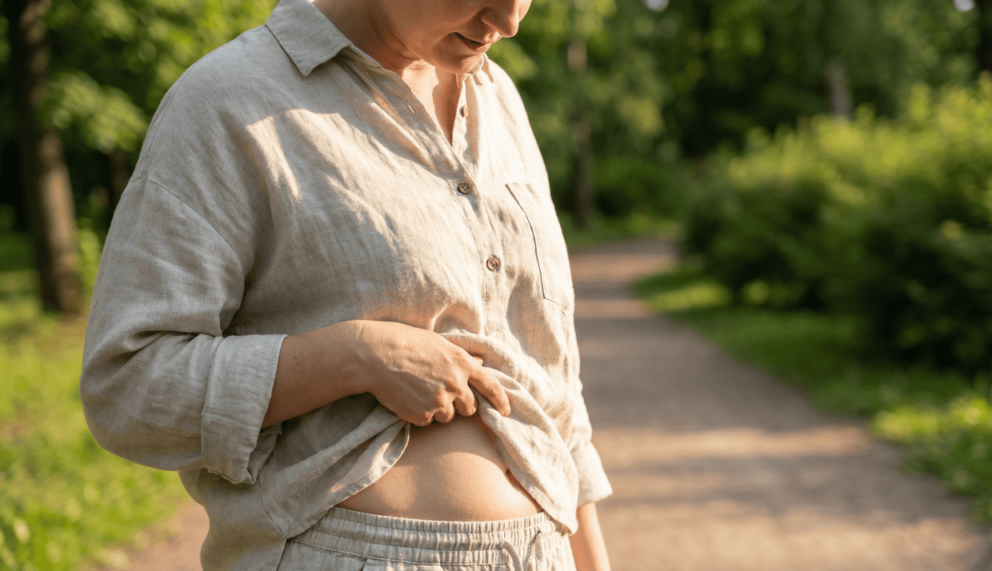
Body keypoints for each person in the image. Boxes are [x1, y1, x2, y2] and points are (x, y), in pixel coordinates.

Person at [79, 0, 613, 569]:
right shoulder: (227, 99)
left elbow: (552, 381)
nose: (508, 21)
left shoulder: (499, 96)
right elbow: (127, 385)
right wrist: (355, 356)